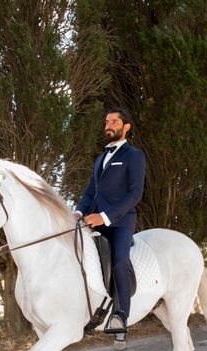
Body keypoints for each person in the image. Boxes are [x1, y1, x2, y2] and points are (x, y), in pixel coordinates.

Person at [76, 107, 146, 338]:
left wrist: (105, 217)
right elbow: (90, 192)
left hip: (120, 223)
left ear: (126, 127)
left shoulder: (134, 156)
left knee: (118, 261)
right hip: (93, 221)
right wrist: (78, 213)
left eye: (114, 121)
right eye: (107, 121)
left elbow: (135, 195)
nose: (109, 125)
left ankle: (121, 314)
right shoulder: (100, 159)